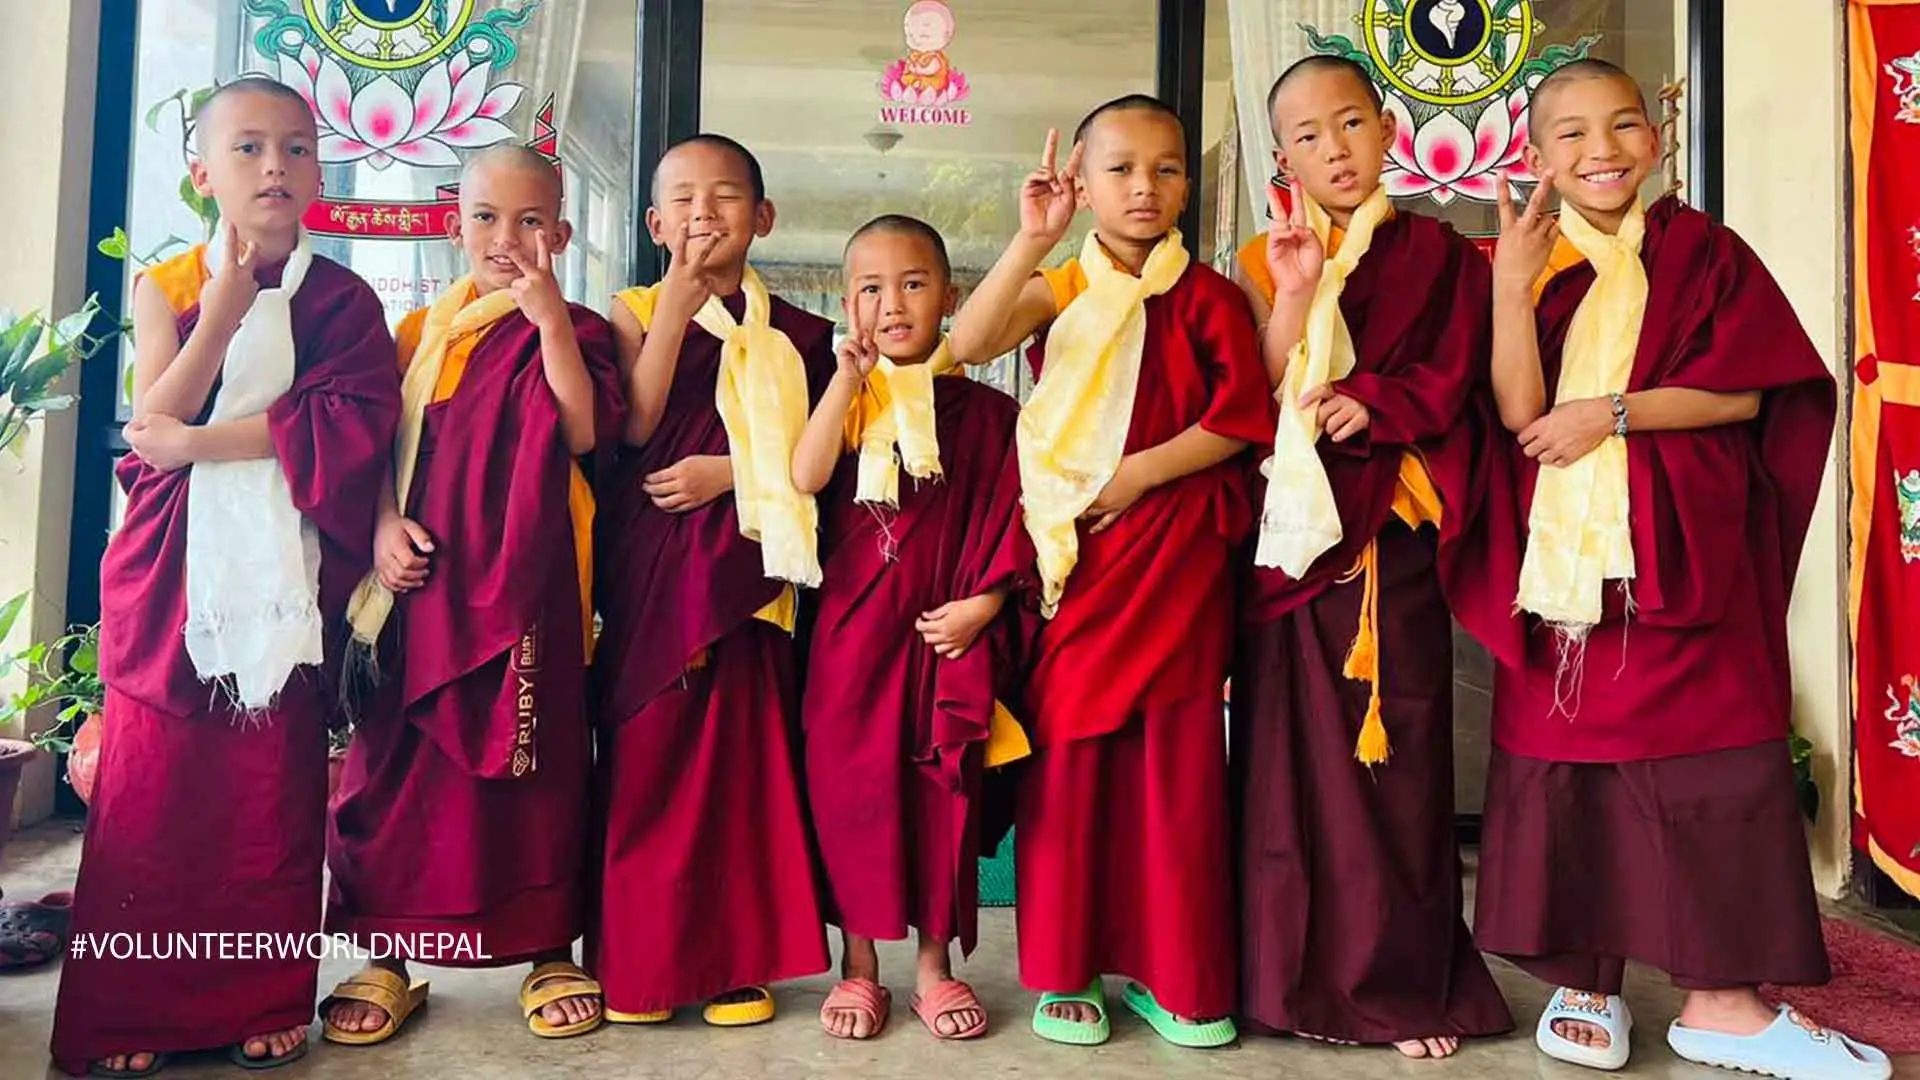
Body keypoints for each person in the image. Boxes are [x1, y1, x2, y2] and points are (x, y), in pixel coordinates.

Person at [1467, 58, 1890, 1079]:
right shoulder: (1522, 260)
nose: (1600, 150)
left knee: (1720, 762)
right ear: (1536, 156)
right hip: (1570, 577)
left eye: (1620, 127)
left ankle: (1724, 1002)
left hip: (1686, 557)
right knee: (1574, 774)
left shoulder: (1706, 253)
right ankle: (1586, 980)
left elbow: (1748, 395)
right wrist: (1513, 293)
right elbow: (1518, 414)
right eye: (1570, 134)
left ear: (1656, 139)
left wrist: (1613, 413)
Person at [48, 77, 401, 1077]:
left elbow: (349, 427)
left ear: (321, 171)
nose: (274, 167)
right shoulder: (167, 284)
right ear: (203, 174)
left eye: (295, 149)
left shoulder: (346, 300)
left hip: (282, 568)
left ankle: (260, 993)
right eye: (248, 149)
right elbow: (151, 423)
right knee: (154, 786)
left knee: (267, 790)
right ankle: (137, 1006)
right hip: (170, 565)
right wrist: (226, 311)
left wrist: (202, 441)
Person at [946, 96, 1272, 1049]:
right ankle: (1065, 968)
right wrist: (1029, 240)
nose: (1145, 187)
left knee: (1177, 767)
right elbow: (965, 344)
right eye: (1121, 169)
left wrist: (1136, 473)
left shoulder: (1208, 295)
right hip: (1078, 559)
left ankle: (1180, 977)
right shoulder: (1066, 284)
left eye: (1167, 169)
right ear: (1082, 184)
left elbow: (1235, 421)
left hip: (1173, 547)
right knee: (1074, 760)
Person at [1227, 55, 1518, 1061]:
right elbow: (1254, 394)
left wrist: (1380, 403)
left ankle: (1396, 988)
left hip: (1385, 540)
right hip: (1284, 545)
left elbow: (1454, 375)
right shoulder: (1262, 253)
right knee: (1280, 774)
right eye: (1308, 136)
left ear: (1388, 127)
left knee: (1391, 772)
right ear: (1284, 156)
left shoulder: (1439, 253)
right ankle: (1277, 979)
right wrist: (1298, 290)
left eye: (1350, 125)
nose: (1334, 150)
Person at [319, 146, 627, 1046]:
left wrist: (549, 324)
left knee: (534, 768)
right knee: (396, 767)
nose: (508, 239)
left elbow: (583, 429)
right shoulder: (419, 335)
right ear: (456, 224)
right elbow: (379, 452)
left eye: (532, 221)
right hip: (419, 585)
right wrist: (381, 531)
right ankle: (387, 954)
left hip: (529, 590)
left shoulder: (577, 327)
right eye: (488, 218)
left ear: (562, 234)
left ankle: (547, 948)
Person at [588, 133, 832, 1028]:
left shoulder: (803, 336)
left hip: (749, 574)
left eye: (726, 196)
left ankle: (737, 958)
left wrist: (729, 473)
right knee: (649, 761)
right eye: (683, 199)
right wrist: (677, 307)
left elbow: (821, 451)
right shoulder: (629, 311)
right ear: (654, 223)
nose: (704, 214)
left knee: (740, 770)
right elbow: (637, 423)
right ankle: (638, 962)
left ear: (762, 218)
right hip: (653, 566)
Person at [791, 215, 1034, 1042]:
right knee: (848, 795)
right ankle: (859, 968)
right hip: (849, 644)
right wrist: (844, 383)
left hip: (946, 638)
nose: (892, 304)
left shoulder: (990, 414)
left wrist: (988, 603)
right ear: (847, 304)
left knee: (945, 796)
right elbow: (804, 474)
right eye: (870, 288)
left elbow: (1017, 519)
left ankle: (935, 967)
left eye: (914, 283)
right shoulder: (845, 405)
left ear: (951, 298)